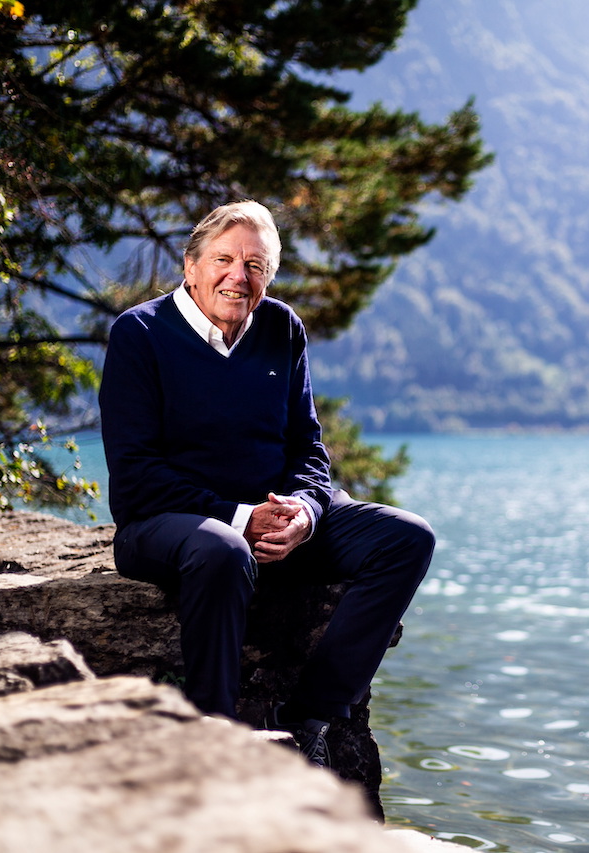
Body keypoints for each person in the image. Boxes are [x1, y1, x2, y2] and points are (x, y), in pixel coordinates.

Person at [98, 200, 434, 769]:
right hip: (165, 524)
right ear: (190, 266)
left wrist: (303, 512)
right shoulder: (140, 334)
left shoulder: (281, 328)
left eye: (256, 265)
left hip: (272, 521)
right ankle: (215, 728)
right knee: (223, 550)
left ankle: (306, 717)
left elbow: (308, 448)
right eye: (224, 259)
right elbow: (137, 475)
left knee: (407, 538)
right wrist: (239, 515)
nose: (238, 276)